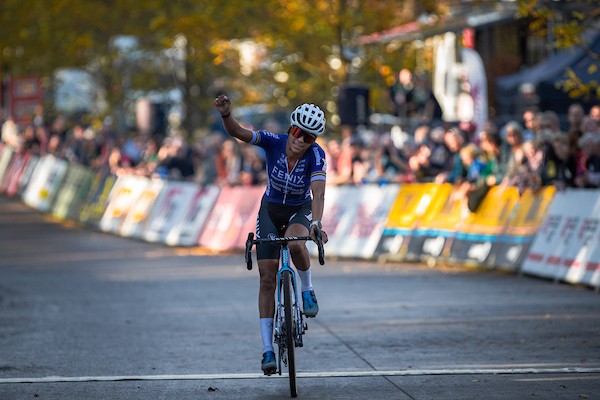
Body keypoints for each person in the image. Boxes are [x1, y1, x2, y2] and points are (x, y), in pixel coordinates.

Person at [214, 94, 329, 375]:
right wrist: (227, 115)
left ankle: (307, 289)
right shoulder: (274, 142)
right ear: (290, 129)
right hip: (271, 208)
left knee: (296, 242)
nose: (301, 140)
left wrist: (316, 222)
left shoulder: (316, 155)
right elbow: (239, 133)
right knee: (267, 278)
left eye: (309, 137)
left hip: (298, 209)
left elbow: (318, 192)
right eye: (298, 132)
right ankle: (267, 350)